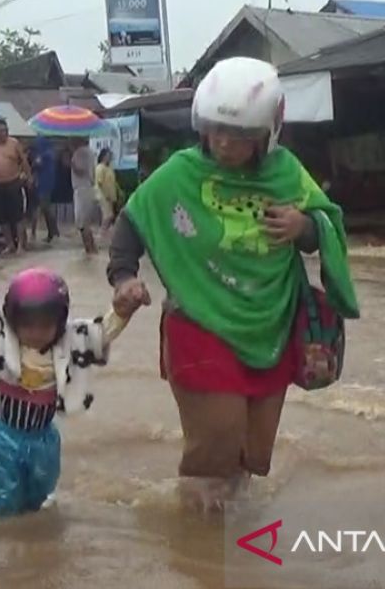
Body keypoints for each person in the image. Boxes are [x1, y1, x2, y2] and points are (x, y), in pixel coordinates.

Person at [107, 57, 359, 510]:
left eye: (239, 135)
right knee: (216, 439)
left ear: (269, 132)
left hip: (270, 322)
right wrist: (123, 277)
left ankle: (227, 536)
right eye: (215, 130)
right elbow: (132, 221)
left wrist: (304, 225)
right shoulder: (180, 173)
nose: (224, 143)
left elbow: (326, 229)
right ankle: (196, 550)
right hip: (199, 321)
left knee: (253, 452)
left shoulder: (287, 174)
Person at [0, 266, 147, 519]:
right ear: (14, 320)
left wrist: (123, 311)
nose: (36, 333)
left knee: (39, 502)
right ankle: (4, 553)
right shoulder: (0, 335)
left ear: (60, 321)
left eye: (45, 325)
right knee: (1, 507)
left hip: (42, 437)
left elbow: (102, 333)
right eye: (28, 326)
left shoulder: (72, 338)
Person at [0, 119, 30, 254]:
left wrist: (26, 175)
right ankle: (9, 244)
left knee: (18, 216)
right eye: (1, 130)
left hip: (13, 182)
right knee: (1, 217)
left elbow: (23, 160)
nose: (5, 133)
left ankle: (20, 245)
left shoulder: (14, 144)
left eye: (6, 130)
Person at [28, 136, 59, 243]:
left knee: (42, 208)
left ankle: (51, 232)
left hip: (43, 185)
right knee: (45, 209)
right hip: (46, 184)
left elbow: (36, 165)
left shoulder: (44, 155)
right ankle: (52, 232)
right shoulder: (50, 153)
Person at [70, 137, 98, 254]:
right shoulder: (90, 152)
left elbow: (81, 170)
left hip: (82, 189)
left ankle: (90, 249)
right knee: (84, 222)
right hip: (87, 188)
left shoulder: (80, 153)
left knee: (82, 223)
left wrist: (72, 164)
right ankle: (91, 249)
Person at [94, 147, 120, 236]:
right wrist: (106, 194)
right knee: (108, 215)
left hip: (110, 195)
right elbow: (99, 183)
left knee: (110, 215)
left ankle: (104, 232)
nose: (109, 158)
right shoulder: (100, 167)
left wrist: (118, 192)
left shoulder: (109, 168)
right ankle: (101, 233)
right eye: (107, 156)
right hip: (103, 195)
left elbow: (113, 182)